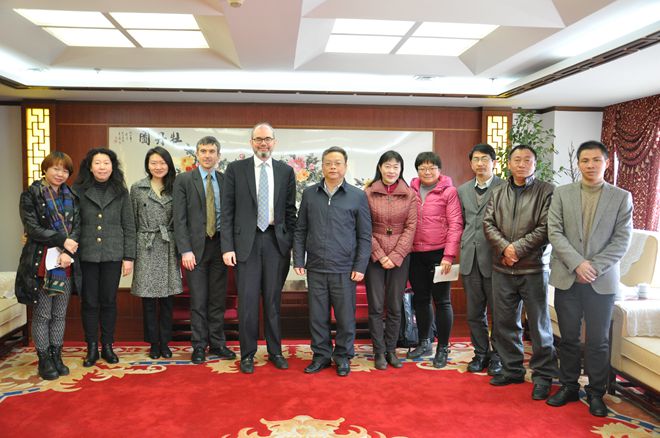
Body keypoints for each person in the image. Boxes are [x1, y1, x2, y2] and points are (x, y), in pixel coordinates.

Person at [546, 140, 632, 417]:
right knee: (568, 338)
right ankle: (569, 386)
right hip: (568, 277)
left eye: (596, 160)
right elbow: (554, 231)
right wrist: (577, 264)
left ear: (606, 163)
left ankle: (596, 393)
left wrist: (592, 267)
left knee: (598, 340)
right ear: (578, 164)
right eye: (585, 160)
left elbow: (622, 240)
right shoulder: (562, 193)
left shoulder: (621, 197)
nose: (590, 165)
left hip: (602, 280)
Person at [221, 123, 297, 374]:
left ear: (274, 142)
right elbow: (227, 211)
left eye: (267, 139)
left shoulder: (285, 171)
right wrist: (227, 247)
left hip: (276, 243)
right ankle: (248, 354)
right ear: (251, 142)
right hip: (246, 244)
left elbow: (290, 211)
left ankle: (275, 352)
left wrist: (291, 244)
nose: (263, 143)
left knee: (273, 302)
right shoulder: (236, 170)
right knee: (248, 302)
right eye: (258, 139)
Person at [483, 144, 557, 400]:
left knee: (538, 325)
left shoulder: (547, 191)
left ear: (535, 164)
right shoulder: (498, 191)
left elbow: (546, 227)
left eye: (527, 160)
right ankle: (512, 369)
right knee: (504, 323)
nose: (522, 164)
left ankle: (543, 376)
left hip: (533, 268)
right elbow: (488, 224)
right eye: (517, 159)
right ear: (509, 163)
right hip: (502, 267)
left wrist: (517, 249)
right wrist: (506, 249)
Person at [293, 146, 372, 377]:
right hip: (316, 266)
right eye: (328, 163)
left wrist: (360, 265)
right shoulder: (310, 194)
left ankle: (343, 356)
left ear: (345, 166)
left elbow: (364, 235)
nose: (333, 167)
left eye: (337, 163)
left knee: (345, 317)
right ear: (322, 166)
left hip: (344, 268)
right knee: (317, 317)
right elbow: (300, 229)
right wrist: (298, 259)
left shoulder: (357, 196)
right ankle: (321, 356)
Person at [15, 152, 81, 380]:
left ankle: (56, 355)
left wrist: (68, 251)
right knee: (43, 314)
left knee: (60, 314)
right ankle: (44, 358)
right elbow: (32, 229)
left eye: (65, 170)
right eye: (56, 168)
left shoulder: (72, 195)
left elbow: (77, 227)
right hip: (41, 261)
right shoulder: (31, 194)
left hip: (65, 262)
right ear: (45, 169)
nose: (60, 174)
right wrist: (63, 241)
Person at [173, 136, 236, 364]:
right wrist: (185, 250)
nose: (207, 155)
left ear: (218, 155)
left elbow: (231, 216)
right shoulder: (184, 180)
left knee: (217, 300)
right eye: (203, 151)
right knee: (198, 300)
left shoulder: (226, 180)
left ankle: (217, 343)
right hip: (195, 250)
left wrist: (229, 247)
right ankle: (199, 345)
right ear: (197, 154)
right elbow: (179, 218)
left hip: (220, 247)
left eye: (211, 151)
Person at [73, 148, 136, 367]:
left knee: (109, 301)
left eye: (106, 163)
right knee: (89, 302)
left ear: (113, 166)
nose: (102, 167)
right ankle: (91, 347)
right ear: (90, 167)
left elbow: (129, 226)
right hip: (86, 255)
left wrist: (129, 257)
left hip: (112, 254)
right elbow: (73, 223)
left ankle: (108, 345)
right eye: (97, 163)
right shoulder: (78, 191)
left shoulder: (121, 191)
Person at [407, 152, 463, 368]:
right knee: (420, 299)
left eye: (432, 167)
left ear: (440, 170)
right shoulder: (411, 190)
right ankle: (424, 342)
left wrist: (449, 255)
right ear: (417, 170)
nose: (427, 171)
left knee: (442, 301)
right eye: (422, 168)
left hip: (440, 254)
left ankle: (443, 347)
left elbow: (455, 224)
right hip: (415, 254)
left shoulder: (449, 191)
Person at [364, 151, 417, 370]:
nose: (391, 171)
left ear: (401, 169)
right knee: (376, 307)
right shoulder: (368, 193)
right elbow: (364, 227)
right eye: (387, 166)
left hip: (400, 257)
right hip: (373, 256)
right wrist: (379, 254)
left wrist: (395, 256)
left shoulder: (409, 194)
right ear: (380, 167)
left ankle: (391, 350)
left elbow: (411, 227)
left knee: (395, 306)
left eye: (396, 167)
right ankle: (378, 351)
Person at [130, 147, 183, 360]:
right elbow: (132, 222)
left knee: (168, 299)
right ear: (147, 165)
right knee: (149, 300)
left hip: (169, 245)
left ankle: (165, 342)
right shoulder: (137, 188)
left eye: (162, 163)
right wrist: (131, 254)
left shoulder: (177, 187)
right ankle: (153, 343)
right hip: (146, 245)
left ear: (168, 165)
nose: (158, 167)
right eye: (153, 163)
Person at [457, 144, 504, 375]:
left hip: (496, 260)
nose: (480, 163)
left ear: (494, 162)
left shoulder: (504, 187)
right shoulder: (462, 190)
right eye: (476, 159)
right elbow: (461, 222)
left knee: (499, 313)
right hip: (470, 259)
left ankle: (498, 356)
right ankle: (480, 353)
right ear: (470, 163)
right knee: (475, 313)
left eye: (485, 159)